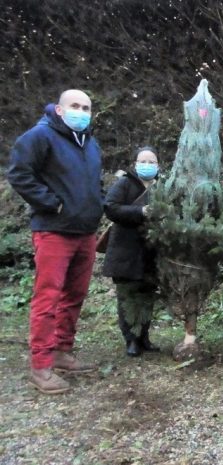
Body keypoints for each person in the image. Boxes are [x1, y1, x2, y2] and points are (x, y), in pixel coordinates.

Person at [7, 89, 102, 394]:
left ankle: (62, 350)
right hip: (54, 230)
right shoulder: (40, 136)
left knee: (74, 295)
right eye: (75, 106)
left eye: (86, 107)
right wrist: (52, 204)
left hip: (85, 231)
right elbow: (20, 174)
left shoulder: (89, 143)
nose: (81, 111)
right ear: (59, 110)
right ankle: (41, 365)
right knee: (48, 297)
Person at [102, 147, 160, 357]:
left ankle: (144, 336)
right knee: (127, 297)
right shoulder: (125, 183)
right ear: (135, 164)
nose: (147, 165)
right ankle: (131, 340)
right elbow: (110, 207)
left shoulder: (161, 187)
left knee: (147, 296)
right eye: (143, 161)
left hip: (151, 251)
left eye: (151, 161)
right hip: (126, 249)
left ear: (158, 165)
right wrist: (140, 211)